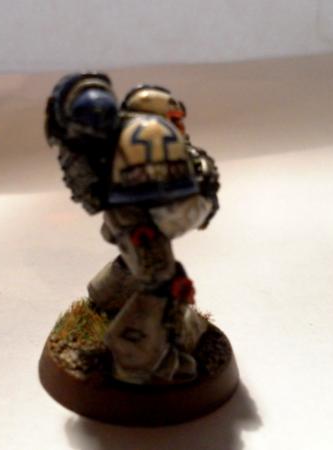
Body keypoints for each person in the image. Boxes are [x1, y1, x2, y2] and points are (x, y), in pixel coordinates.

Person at [45, 74, 220, 384]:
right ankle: (135, 358)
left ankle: (106, 294)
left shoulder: (123, 140)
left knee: (140, 263)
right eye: (174, 118)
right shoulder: (152, 134)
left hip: (126, 217)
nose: (179, 126)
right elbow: (172, 198)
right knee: (160, 282)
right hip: (137, 220)